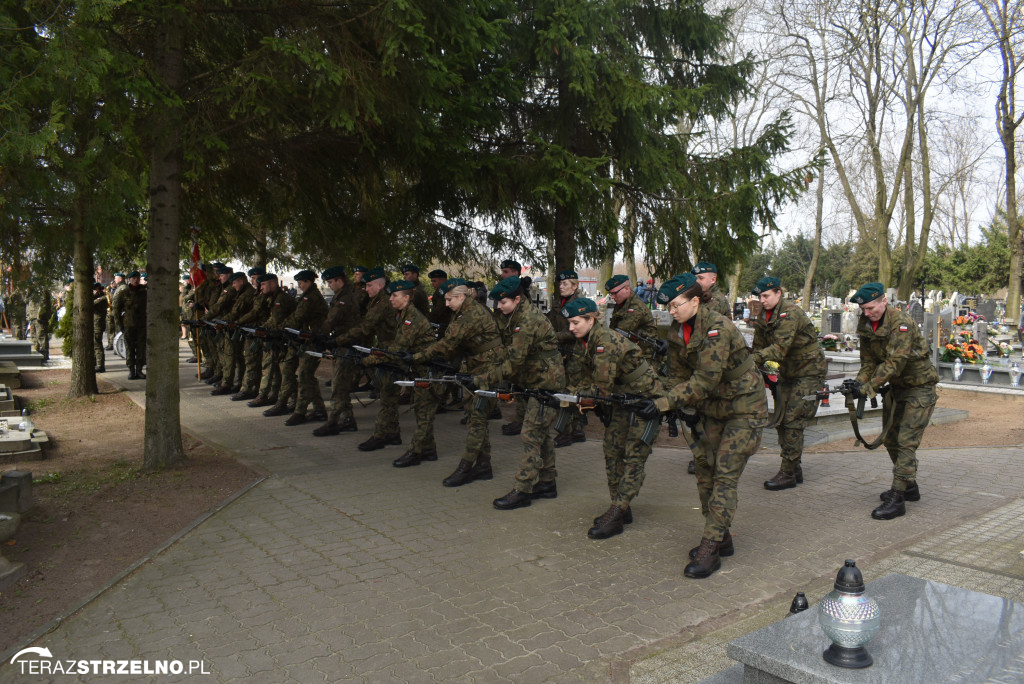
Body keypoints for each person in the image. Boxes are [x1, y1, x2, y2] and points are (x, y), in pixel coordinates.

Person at [656, 272, 767, 579]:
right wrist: (658, 396)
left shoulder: (717, 327)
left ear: (695, 300)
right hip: (713, 406)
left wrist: (664, 403)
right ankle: (721, 536)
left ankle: (711, 545)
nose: (672, 312)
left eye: (677, 305)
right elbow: (677, 376)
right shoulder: (677, 330)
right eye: (669, 307)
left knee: (725, 475)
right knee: (705, 469)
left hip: (744, 406)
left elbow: (705, 379)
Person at [562, 297, 666, 539]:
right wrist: (566, 393)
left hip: (646, 401)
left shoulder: (604, 341)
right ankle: (620, 507)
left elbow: (601, 389)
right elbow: (585, 381)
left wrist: (568, 396)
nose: (571, 328)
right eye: (569, 323)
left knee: (633, 456)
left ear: (591, 319)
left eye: (576, 322)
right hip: (623, 399)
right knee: (611, 450)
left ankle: (617, 510)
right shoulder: (586, 341)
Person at [850, 282, 939, 520]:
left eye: (871, 308)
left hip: (919, 389)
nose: (867, 313)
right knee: (890, 439)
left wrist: (869, 387)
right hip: (896, 389)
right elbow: (868, 362)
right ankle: (909, 486)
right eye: (864, 310)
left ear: (883, 301)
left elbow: (894, 363)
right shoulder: (866, 324)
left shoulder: (901, 323)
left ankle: (898, 498)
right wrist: (858, 383)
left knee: (906, 442)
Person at [480, 276, 565, 509]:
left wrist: (483, 378)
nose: (498, 307)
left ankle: (523, 489)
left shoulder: (527, 320)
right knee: (542, 435)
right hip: (537, 379)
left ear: (517, 299)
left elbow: (513, 362)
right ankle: (547, 483)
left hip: (545, 382)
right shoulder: (515, 315)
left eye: (503, 302)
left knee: (530, 434)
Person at [412, 278, 506, 487]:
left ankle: (467, 466)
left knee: (477, 419)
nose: (446, 304)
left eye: (449, 299)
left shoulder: (470, 314)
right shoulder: (465, 310)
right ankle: (483, 465)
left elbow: (448, 343)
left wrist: (417, 357)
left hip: (487, 369)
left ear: (461, 296)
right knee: (476, 417)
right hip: (479, 365)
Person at [748, 277, 826, 490]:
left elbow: (778, 349)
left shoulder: (790, 313)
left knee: (793, 420)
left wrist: (750, 360)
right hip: (788, 373)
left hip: (809, 372)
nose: (762, 300)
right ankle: (794, 467)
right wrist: (755, 365)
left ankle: (789, 472)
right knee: (782, 418)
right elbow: (759, 347)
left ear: (778, 293)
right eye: (760, 296)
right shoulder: (765, 316)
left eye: (766, 296)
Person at [365, 280, 439, 465]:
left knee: (423, 411)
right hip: (418, 368)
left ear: (406, 298)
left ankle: (418, 450)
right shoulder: (403, 314)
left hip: (427, 370)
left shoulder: (411, 318)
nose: (390, 299)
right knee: (422, 410)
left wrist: (369, 360)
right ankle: (428, 449)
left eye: (394, 296)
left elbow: (398, 349)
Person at [265, 270, 329, 423]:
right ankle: (319, 410)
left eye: (301, 283)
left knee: (304, 375)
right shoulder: (307, 296)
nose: (299, 285)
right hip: (305, 340)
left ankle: (300, 411)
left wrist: (278, 328)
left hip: (314, 341)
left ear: (309, 282)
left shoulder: (310, 298)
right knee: (302, 374)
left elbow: (297, 318)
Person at [351, 267, 402, 450]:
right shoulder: (379, 300)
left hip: (390, 351)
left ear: (380, 285)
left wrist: (340, 338)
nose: (366, 289)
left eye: (369, 285)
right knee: (388, 393)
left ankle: (382, 434)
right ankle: (393, 433)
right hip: (385, 348)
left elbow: (366, 327)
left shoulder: (382, 303)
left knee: (388, 394)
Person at [313, 266, 364, 436]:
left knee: (338, 386)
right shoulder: (344, 294)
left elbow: (331, 319)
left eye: (330, 282)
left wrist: (319, 335)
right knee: (341, 385)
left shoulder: (345, 297)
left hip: (346, 345)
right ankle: (347, 419)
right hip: (342, 343)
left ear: (339, 280)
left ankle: (333, 421)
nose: (329, 285)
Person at [547, 269, 587, 447]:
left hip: (576, 353)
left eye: (565, 284)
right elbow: (552, 320)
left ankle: (567, 431)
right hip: (561, 351)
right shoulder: (558, 302)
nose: (561, 287)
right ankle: (576, 429)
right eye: (560, 284)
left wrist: (553, 336)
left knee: (569, 391)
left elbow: (577, 332)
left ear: (575, 286)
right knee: (569, 390)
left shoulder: (579, 303)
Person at [248, 274, 297, 408]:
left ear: (273, 284)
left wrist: (261, 330)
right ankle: (272, 395)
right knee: (274, 368)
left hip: (286, 339)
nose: (261, 287)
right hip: (277, 337)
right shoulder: (272, 297)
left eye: (263, 284)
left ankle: (291, 399)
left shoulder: (281, 299)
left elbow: (275, 321)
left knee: (285, 371)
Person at [211, 273, 256, 396]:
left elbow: (236, 312)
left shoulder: (246, 294)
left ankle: (231, 384)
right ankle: (237, 384)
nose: (233, 285)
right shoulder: (241, 292)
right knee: (238, 357)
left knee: (234, 357)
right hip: (239, 328)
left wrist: (224, 321)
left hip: (243, 329)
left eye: (235, 282)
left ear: (241, 281)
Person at [606, 275, 659, 360]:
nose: (612, 296)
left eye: (615, 293)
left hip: (642, 355)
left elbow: (620, 333)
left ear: (627, 289)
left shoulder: (635, 307)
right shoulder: (622, 302)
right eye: (611, 293)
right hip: (629, 349)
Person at [115, 271, 148, 380]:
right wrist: (120, 324)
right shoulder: (124, 292)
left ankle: (139, 370)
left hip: (142, 324)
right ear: (129, 279)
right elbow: (117, 309)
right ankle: (131, 370)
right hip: (128, 324)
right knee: (129, 348)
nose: (136, 280)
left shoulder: (144, 291)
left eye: (137, 278)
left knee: (141, 348)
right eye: (133, 278)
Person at [106, 273, 126, 349]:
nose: (114, 280)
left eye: (116, 278)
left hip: (121, 313)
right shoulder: (119, 287)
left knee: (119, 330)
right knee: (113, 330)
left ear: (120, 279)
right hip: (115, 312)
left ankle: (120, 347)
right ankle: (115, 346)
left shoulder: (123, 288)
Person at [92, 282, 108, 372]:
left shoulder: (102, 298)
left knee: (97, 344)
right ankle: (95, 363)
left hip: (98, 324)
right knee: (94, 344)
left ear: (98, 289)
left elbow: (90, 304)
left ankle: (100, 365)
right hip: (94, 324)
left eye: (94, 289)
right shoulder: (97, 297)